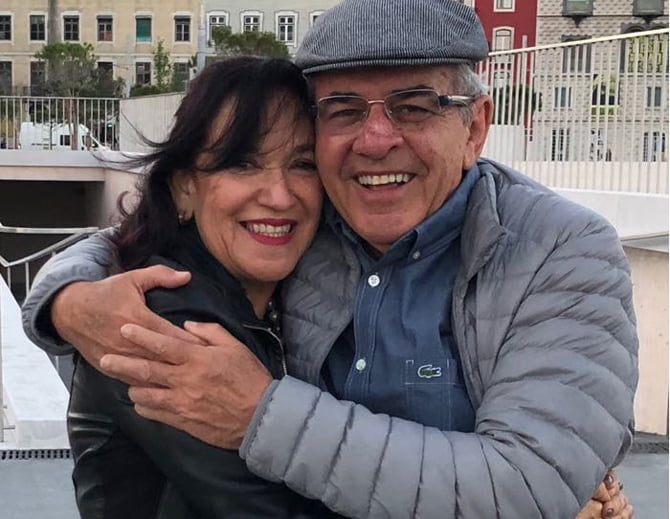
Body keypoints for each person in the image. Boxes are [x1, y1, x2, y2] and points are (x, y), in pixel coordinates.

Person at [23, 1, 636, 518]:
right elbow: (140, 238)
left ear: (475, 128)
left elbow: (524, 485)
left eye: (414, 105)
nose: (375, 140)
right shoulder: (311, 225)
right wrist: (67, 299)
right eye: (344, 109)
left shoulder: (559, 249)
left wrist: (259, 414)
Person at [56, 56, 341, 518]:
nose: (280, 195)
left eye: (303, 164)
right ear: (184, 188)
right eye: (242, 164)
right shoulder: (163, 321)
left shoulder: (285, 300)